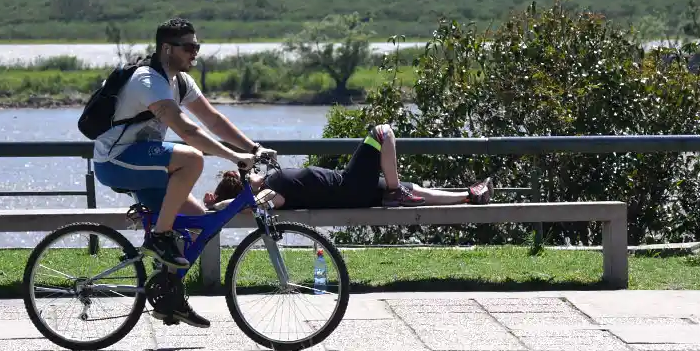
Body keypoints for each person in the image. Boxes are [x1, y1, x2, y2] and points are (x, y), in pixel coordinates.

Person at [90, 17, 276, 328]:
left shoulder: (181, 82)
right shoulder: (147, 81)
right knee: (192, 159)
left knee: (197, 223)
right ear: (167, 49)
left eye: (197, 46)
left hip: (145, 165)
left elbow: (213, 120)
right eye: (189, 47)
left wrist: (253, 149)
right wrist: (234, 157)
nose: (195, 53)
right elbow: (188, 130)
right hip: (116, 161)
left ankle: (170, 298)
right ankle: (161, 237)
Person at [204, 124, 494, 211]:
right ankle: (395, 191)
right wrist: (222, 204)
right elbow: (252, 205)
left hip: (354, 192)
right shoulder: (271, 191)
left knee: (414, 189)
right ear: (247, 186)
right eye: (248, 175)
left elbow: (250, 202)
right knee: (383, 132)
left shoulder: (272, 187)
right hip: (350, 185)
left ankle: (469, 195)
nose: (253, 172)